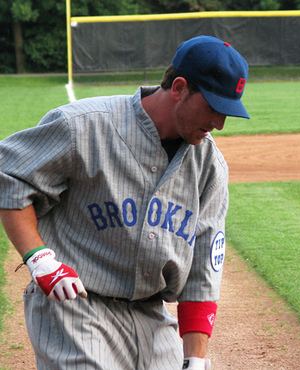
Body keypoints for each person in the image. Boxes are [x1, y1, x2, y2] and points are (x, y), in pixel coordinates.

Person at [0, 35, 249, 370]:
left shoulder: (208, 166)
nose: (219, 123)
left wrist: (196, 359)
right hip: (76, 308)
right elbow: (9, 174)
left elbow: (204, 265)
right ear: (179, 87)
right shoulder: (85, 126)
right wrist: (39, 258)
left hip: (150, 316)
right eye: (213, 107)